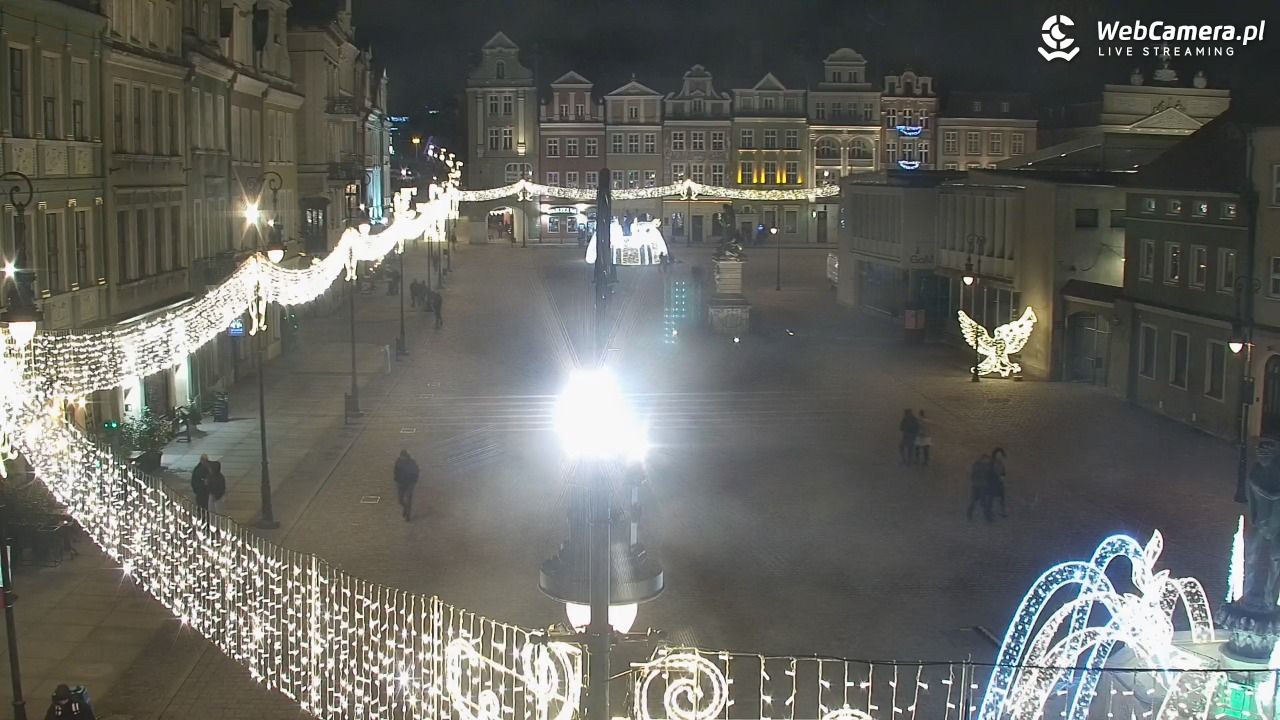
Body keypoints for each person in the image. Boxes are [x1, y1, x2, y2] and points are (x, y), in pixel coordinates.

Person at [393, 450, 420, 521]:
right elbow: (395, 471)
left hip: (409, 484)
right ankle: (405, 508)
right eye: (401, 457)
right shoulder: (398, 462)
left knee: (408, 499)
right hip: (400, 483)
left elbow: (416, 471)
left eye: (403, 457)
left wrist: (414, 481)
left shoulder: (412, 463)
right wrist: (396, 479)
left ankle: (408, 515)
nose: (402, 458)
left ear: (406, 456)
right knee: (400, 500)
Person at [967, 453, 994, 522]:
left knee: (979, 501)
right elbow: (974, 475)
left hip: (980, 486)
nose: (988, 461)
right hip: (979, 486)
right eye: (987, 459)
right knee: (979, 501)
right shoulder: (978, 465)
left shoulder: (985, 465)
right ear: (983, 459)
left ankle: (987, 517)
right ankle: (987, 517)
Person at [990, 447, 1009, 517]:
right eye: (998, 455)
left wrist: (1002, 477)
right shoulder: (992, 463)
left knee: (1001, 498)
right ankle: (992, 512)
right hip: (993, 483)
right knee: (992, 499)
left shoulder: (1001, 464)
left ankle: (1002, 512)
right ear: (995, 455)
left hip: (1000, 483)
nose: (999, 457)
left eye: (1001, 455)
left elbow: (1003, 473)